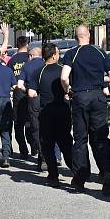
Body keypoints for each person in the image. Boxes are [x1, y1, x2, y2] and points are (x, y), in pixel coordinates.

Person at [60, 25, 110, 195]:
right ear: (89, 35)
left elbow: (64, 77)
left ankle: (79, 178)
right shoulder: (99, 52)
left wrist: (68, 90)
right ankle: (106, 174)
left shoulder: (71, 53)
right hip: (98, 96)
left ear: (76, 37)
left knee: (80, 139)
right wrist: (100, 79)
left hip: (80, 97)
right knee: (100, 137)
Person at [27, 43, 73, 187]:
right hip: (63, 110)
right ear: (54, 55)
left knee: (47, 144)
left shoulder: (38, 72)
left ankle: (53, 176)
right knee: (66, 142)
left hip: (46, 112)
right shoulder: (62, 70)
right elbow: (70, 87)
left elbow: (31, 93)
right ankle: (76, 171)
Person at [18, 46, 45, 171]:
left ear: (31, 56)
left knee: (35, 127)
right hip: (46, 98)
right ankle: (48, 156)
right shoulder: (46, 64)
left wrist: (27, 90)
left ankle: (41, 153)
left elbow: (19, 85)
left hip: (33, 99)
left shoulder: (26, 66)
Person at [8, 36, 32, 159]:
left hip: (18, 93)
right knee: (30, 121)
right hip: (31, 92)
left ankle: (23, 150)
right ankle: (34, 146)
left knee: (18, 124)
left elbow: (8, 76)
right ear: (27, 45)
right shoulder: (30, 58)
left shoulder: (12, 60)